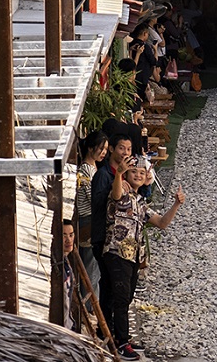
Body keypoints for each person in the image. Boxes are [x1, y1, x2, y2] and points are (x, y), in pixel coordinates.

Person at [103, 155, 186, 361]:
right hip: (117, 251)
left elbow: (161, 222)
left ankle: (116, 336)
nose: (138, 175)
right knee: (121, 298)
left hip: (133, 256)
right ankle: (121, 342)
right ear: (127, 174)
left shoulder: (140, 202)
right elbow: (115, 194)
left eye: (142, 173)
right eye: (134, 172)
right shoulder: (122, 192)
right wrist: (120, 173)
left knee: (125, 297)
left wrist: (176, 205)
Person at [90, 133, 134, 339]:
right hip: (104, 238)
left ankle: (111, 331)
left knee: (115, 288)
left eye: (128, 149)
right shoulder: (103, 175)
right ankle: (108, 333)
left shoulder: (124, 174)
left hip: (122, 242)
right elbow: (98, 205)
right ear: (113, 151)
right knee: (109, 288)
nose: (125, 153)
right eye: (121, 148)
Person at [76, 130, 108, 303]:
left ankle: (92, 303)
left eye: (105, 149)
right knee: (90, 266)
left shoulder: (95, 167)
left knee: (93, 266)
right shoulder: (85, 171)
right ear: (90, 148)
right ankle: (89, 306)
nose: (103, 153)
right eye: (100, 148)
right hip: (88, 219)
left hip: (93, 217)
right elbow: (93, 196)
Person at [62, 219, 78, 331]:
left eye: (71, 235)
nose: (68, 240)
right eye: (64, 236)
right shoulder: (59, 267)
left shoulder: (66, 262)